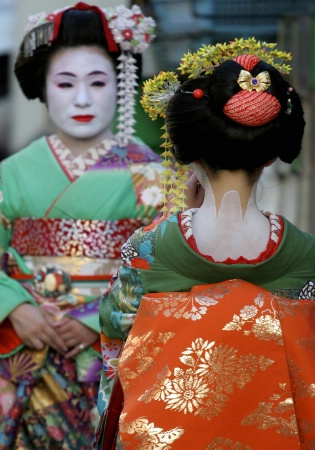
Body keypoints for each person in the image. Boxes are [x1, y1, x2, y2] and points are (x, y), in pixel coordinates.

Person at [95, 38, 315, 449]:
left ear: (188, 152)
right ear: (269, 156)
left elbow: (115, 344)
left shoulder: (149, 250)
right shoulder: (307, 256)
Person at [0, 3, 163, 450]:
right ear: (43, 89)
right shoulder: (11, 172)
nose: (83, 99)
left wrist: (97, 320)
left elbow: (165, 268)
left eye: (98, 82)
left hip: (113, 353)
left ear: (121, 86)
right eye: (65, 83)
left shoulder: (152, 177)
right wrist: (15, 307)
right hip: (24, 347)